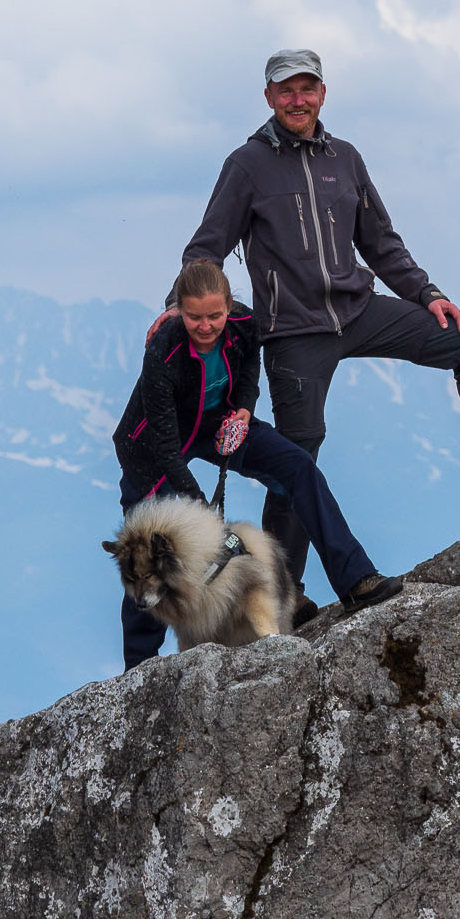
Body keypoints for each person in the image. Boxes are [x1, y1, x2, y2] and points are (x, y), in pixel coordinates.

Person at [169, 48, 460, 624]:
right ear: (268, 97)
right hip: (293, 331)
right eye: (286, 90)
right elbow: (206, 247)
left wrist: (429, 295)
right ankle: (284, 590)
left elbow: (381, 243)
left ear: (322, 93)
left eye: (307, 88)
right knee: (297, 453)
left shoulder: (347, 158)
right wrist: (177, 308)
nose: (297, 99)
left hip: (360, 309)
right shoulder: (247, 165)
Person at [112, 258, 402, 669]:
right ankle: (138, 668)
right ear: (178, 309)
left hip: (219, 422)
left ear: (230, 307)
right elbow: (163, 440)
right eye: (194, 317)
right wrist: (197, 502)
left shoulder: (246, 323)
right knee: (145, 552)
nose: (206, 326)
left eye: (215, 315)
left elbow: (249, 369)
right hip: (151, 446)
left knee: (298, 468)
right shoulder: (164, 347)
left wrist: (244, 411)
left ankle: (355, 577)